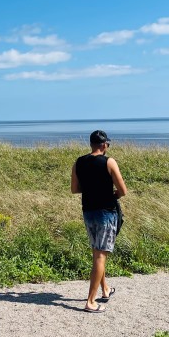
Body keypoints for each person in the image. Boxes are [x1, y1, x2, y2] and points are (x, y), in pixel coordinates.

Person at [71, 130, 128, 313]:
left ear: (91, 144)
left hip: (88, 212)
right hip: (106, 212)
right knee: (100, 256)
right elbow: (123, 190)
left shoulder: (78, 162)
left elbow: (75, 189)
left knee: (97, 252)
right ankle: (90, 301)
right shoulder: (109, 162)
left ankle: (105, 289)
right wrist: (112, 194)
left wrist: (91, 189)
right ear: (104, 145)